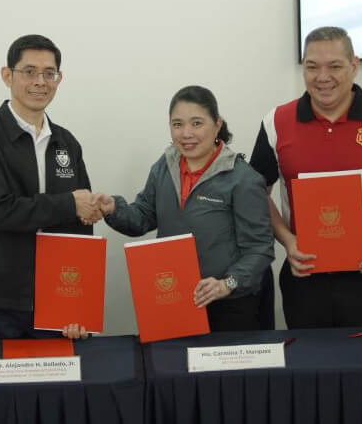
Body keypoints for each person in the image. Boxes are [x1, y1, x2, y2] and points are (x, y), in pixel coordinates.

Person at [249, 26, 362, 328]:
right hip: (305, 275)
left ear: (354, 66)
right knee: (311, 368)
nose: (323, 77)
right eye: (312, 67)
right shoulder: (276, 121)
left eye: (335, 66)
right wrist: (288, 240)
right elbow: (255, 192)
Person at [0, 34, 102, 340]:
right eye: (29, 71)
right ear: (7, 75)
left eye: (50, 74)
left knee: (57, 387)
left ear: (59, 79)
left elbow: (80, 226)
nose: (40, 82)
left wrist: (78, 301)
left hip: (56, 299)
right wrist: (69, 204)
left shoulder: (66, 141)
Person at [100, 86, 274, 331]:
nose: (186, 133)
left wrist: (227, 284)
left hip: (230, 306)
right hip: (174, 298)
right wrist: (112, 208)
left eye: (196, 123)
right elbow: (143, 216)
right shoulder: (164, 165)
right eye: (177, 124)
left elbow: (260, 249)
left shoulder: (243, 178)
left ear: (217, 124)